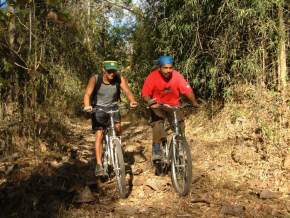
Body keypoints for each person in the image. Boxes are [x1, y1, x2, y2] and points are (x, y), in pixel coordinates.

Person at [83, 60, 138, 176]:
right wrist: (87, 106)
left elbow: (127, 91)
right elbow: (87, 94)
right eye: (109, 71)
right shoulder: (95, 79)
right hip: (98, 109)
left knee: (118, 128)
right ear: (104, 70)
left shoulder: (119, 78)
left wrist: (132, 101)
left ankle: (117, 149)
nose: (112, 74)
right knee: (99, 134)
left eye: (114, 71)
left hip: (113, 107)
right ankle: (99, 165)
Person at [141, 55, 199, 163]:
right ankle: (157, 149)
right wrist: (149, 101)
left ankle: (180, 145)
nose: (168, 70)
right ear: (159, 68)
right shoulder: (152, 77)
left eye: (170, 67)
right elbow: (145, 93)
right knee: (157, 124)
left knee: (180, 124)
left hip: (173, 106)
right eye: (165, 68)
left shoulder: (177, 76)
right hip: (158, 106)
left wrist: (194, 102)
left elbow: (187, 90)